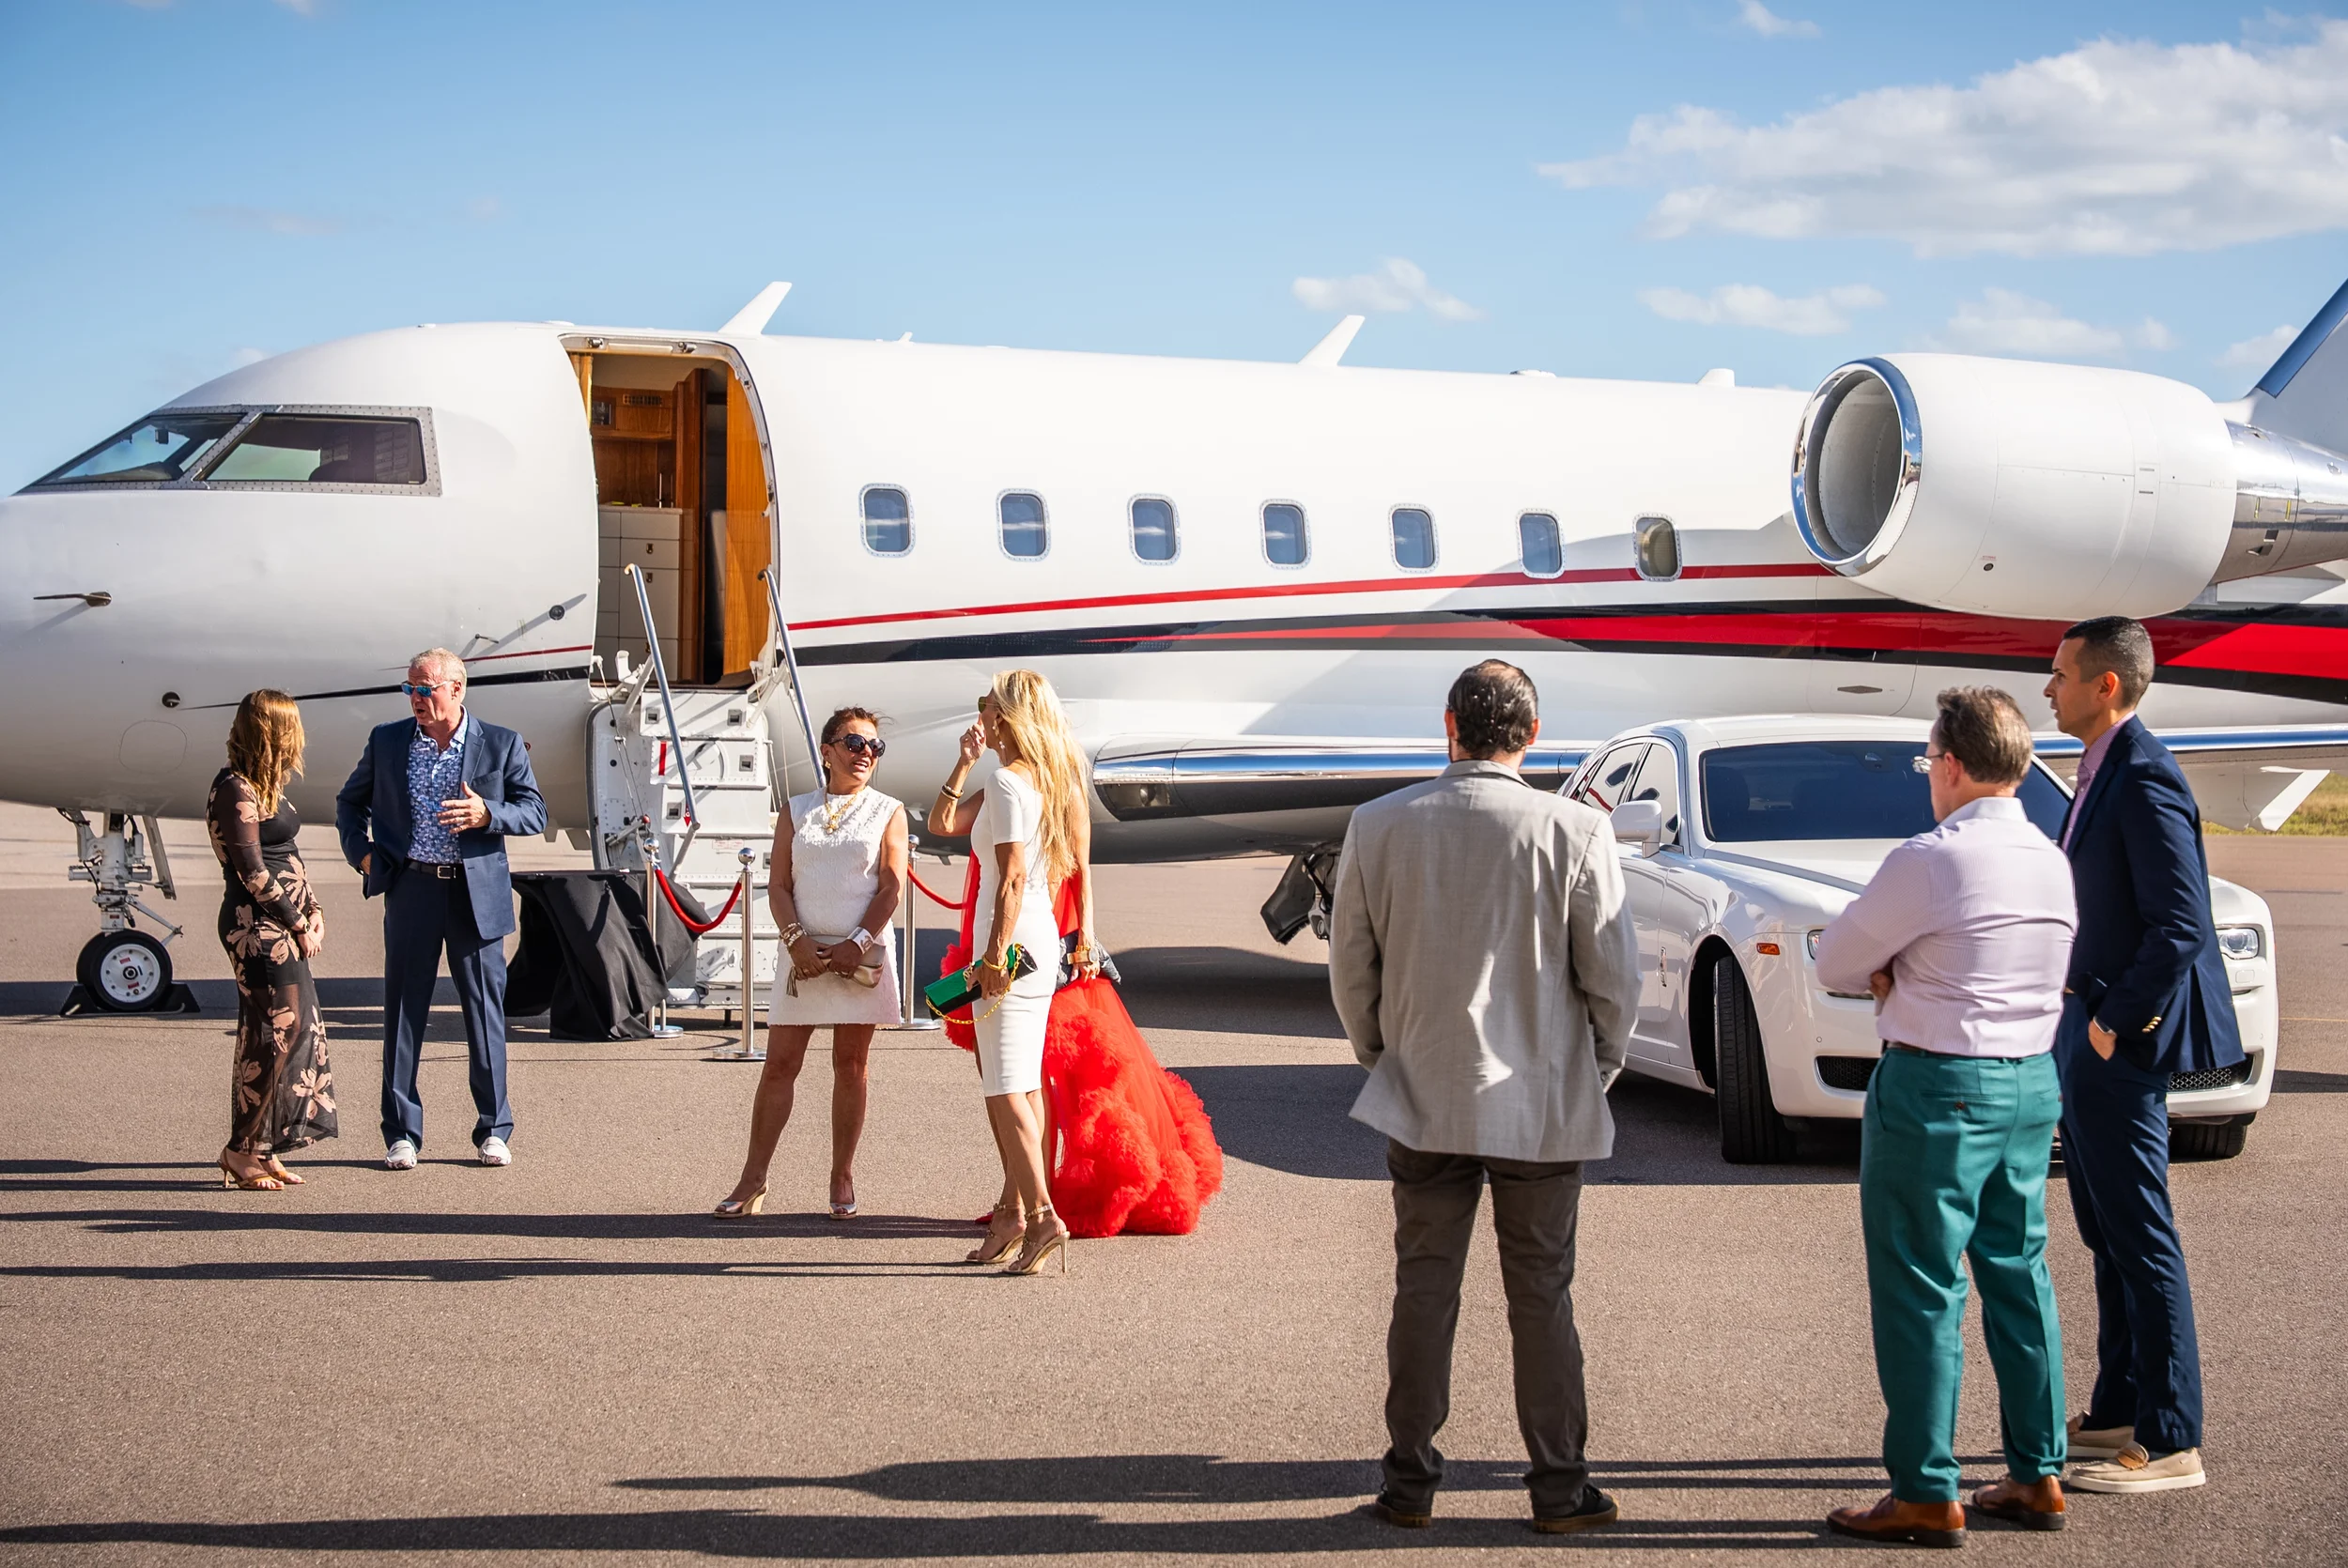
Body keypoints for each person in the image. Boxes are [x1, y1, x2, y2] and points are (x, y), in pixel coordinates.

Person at [1327, 659, 1638, 1535]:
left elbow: (1353, 969)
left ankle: (1409, 1482)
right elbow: (1611, 978)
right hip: (1540, 1098)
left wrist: (1382, 1055)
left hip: (1424, 1091)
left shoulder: (1380, 823)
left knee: (1424, 1288)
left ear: (1449, 725)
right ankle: (1559, 1487)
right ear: (1532, 736)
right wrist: (1598, 1067)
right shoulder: (1575, 831)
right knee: (1542, 1293)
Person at [1814, 687, 2078, 1546]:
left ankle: (1927, 1487)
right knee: (2018, 1273)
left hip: (1938, 1084)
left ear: (1953, 765)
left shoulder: (1930, 858)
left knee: (1922, 1286)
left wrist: (1894, 974)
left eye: (1931, 760)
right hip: (2030, 1078)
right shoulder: (2050, 856)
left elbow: (1839, 961)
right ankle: (2038, 1471)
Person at [2042, 616, 2242, 1495]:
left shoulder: (2145, 775)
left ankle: (2170, 1439)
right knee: (2105, 1230)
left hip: (2120, 1043)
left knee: (2142, 1235)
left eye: (2060, 674)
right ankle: (2120, 1406)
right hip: (2085, 1034)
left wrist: (2112, 1023)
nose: (2047, 689)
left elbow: (2180, 925)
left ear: (2106, 685)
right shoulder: (2098, 770)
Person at [335, 648, 546, 1170]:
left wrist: (486, 813)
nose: (416, 699)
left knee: (483, 1011)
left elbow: (534, 811)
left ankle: (494, 1129)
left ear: (456, 689)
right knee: (404, 1012)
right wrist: (361, 855)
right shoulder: (388, 741)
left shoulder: (501, 743)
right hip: (412, 889)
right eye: (410, 688)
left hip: (474, 896)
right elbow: (349, 801)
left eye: (425, 689)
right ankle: (402, 1132)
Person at [713, 707, 907, 1220]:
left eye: (874, 746)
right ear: (827, 751)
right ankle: (753, 1179)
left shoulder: (888, 809)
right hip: (802, 955)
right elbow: (778, 885)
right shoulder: (796, 809)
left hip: (859, 955)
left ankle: (841, 1178)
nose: (866, 753)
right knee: (779, 1066)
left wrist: (858, 941)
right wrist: (795, 939)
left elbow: (891, 886)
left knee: (851, 1067)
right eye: (853, 743)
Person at [927, 669, 1088, 1275]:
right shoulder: (1037, 780)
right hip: (1036, 946)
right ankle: (1013, 1212)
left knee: (1005, 1087)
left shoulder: (1009, 783)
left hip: (1013, 949)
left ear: (1009, 716)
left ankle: (1042, 1217)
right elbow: (943, 826)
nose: (983, 719)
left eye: (989, 709)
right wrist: (963, 761)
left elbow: (1013, 878)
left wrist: (993, 955)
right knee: (1020, 1084)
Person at [206, 690, 337, 1190]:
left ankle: (262, 1147)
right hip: (256, 930)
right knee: (274, 1036)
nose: (299, 737)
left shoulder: (265, 785)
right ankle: (240, 1152)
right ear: (272, 731)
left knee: (290, 1031)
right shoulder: (233, 788)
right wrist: (298, 922)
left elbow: (290, 854)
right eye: (292, 727)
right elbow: (252, 870)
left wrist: (316, 909)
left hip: (284, 926)